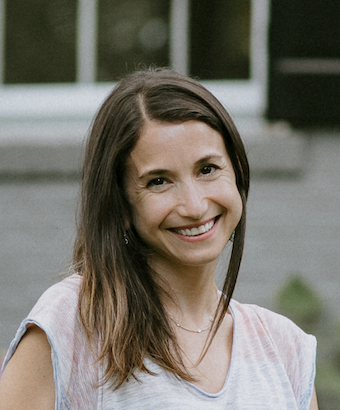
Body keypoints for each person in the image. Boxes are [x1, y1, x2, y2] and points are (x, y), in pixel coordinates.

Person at [0, 68, 318, 409]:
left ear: (237, 173)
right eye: (158, 181)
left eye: (207, 169)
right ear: (120, 205)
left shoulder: (287, 350)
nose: (195, 206)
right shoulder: (71, 326)